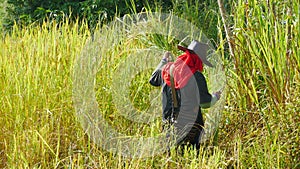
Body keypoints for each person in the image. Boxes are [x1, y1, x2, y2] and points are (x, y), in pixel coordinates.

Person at [149, 40, 222, 150]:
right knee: (192, 157)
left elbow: (153, 80)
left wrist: (164, 60)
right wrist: (215, 97)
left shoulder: (167, 70)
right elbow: (205, 103)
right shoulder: (197, 77)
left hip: (169, 123)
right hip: (191, 127)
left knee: (172, 156)